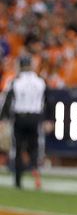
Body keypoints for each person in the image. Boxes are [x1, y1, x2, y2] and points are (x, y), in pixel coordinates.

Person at [0, 55, 48, 189]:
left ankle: (18, 180)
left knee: (18, 149)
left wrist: (3, 118)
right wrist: (48, 119)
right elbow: (47, 100)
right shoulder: (40, 81)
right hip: (35, 117)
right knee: (34, 147)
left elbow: (8, 101)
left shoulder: (16, 81)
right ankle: (35, 168)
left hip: (20, 117)